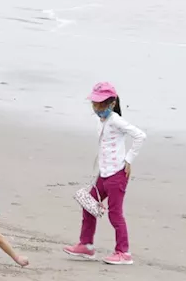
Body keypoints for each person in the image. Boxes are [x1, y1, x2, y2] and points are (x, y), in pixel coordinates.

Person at [63, 82, 146, 266]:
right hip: (104, 174)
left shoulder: (116, 120)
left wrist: (129, 159)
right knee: (89, 204)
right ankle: (86, 245)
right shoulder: (101, 120)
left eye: (100, 104)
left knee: (115, 214)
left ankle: (123, 252)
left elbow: (140, 135)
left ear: (112, 103)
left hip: (117, 175)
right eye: (94, 104)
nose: (96, 108)